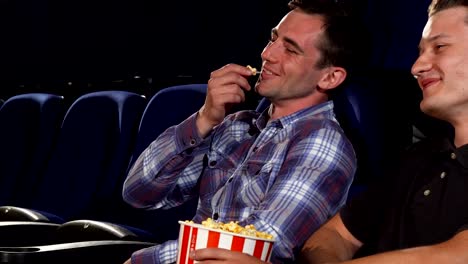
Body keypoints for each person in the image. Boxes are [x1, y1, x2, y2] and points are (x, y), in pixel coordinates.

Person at [122, 0, 358, 262]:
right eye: (273, 39)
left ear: (330, 78)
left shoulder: (322, 142)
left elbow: (254, 247)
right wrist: (204, 118)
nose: (267, 54)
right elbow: (138, 193)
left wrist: (142, 260)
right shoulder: (236, 125)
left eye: (290, 50)